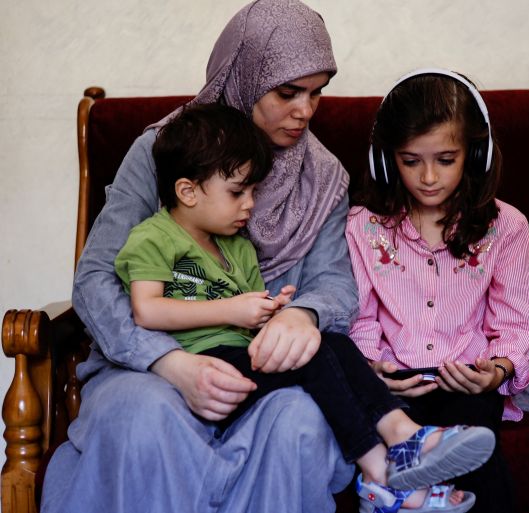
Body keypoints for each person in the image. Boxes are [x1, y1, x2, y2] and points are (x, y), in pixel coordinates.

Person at [42, 1, 357, 512]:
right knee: (144, 417)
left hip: (259, 369)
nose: (306, 111)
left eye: (317, 92)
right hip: (144, 367)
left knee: (301, 421)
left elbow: (334, 282)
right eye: (287, 92)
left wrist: (302, 314)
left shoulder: (323, 179)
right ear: (246, 75)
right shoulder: (163, 151)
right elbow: (96, 277)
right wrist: (168, 362)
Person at [114, 102, 493, 513]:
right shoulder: (153, 237)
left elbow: (248, 318)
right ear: (187, 191)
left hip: (239, 357)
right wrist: (232, 311)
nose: (249, 205)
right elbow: (146, 311)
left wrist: (273, 312)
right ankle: (390, 461)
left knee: (325, 342)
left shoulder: (236, 247)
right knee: (316, 357)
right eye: (238, 192)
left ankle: (395, 453)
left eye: (254, 192)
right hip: (199, 366)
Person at [345, 68, 529, 513]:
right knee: (381, 439)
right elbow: (360, 317)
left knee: (476, 447)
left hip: (468, 384)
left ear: (475, 156)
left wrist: (496, 370)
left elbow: (519, 321)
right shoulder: (362, 226)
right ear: (387, 160)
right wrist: (372, 370)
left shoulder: (506, 226)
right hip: (394, 386)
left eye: (446, 159)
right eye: (411, 160)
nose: (429, 177)